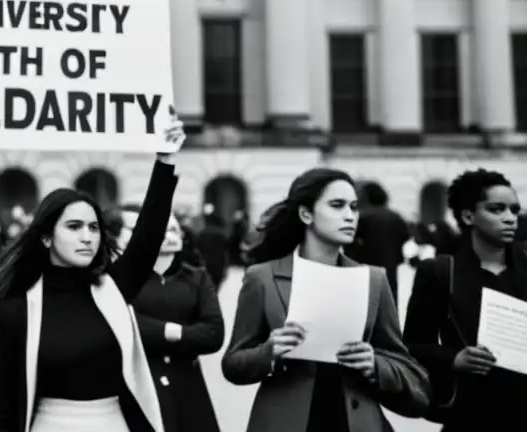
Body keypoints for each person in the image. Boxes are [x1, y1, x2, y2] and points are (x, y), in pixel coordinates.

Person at [0, 109, 185, 432]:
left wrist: (165, 161)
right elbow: (0, 403)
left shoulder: (114, 287)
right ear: (47, 236)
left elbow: (147, 238)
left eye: (94, 228)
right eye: (75, 227)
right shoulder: (16, 309)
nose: (87, 237)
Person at [220, 167, 430, 432]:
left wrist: (374, 363)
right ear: (306, 214)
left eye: (354, 207)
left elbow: (407, 369)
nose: (350, 216)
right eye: (337, 205)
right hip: (286, 421)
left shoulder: (373, 280)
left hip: (356, 421)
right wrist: (269, 351)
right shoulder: (262, 278)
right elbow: (233, 364)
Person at [402, 168, 527, 431]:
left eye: (514, 210)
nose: (510, 219)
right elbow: (412, 345)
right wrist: (453, 358)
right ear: (468, 215)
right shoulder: (438, 272)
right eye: (497, 209)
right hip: (469, 414)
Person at [112, 205, 223, 432]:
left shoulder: (197, 276)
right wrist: (181, 333)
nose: (170, 236)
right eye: (164, 230)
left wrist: (160, 332)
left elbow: (214, 333)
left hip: (187, 385)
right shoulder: (121, 276)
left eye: (175, 229)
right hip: (142, 381)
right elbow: (126, 326)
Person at [349, 181, 410, 298]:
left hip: (366, 269)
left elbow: (350, 242)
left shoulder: (362, 218)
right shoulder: (395, 217)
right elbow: (405, 236)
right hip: (390, 268)